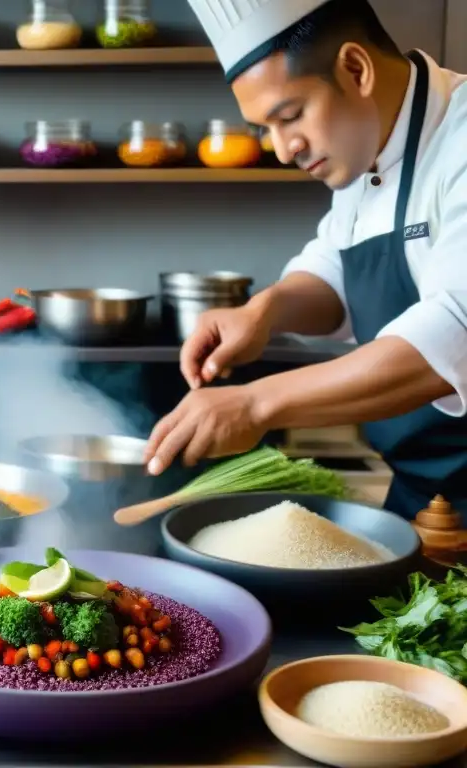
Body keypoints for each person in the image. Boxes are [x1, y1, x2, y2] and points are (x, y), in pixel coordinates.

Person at [143, 0, 467, 519]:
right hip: (422, 502)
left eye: (289, 116)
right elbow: (335, 275)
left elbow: (452, 333)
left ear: (355, 69)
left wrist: (257, 404)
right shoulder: (367, 144)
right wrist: (263, 314)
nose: (281, 148)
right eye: (263, 128)